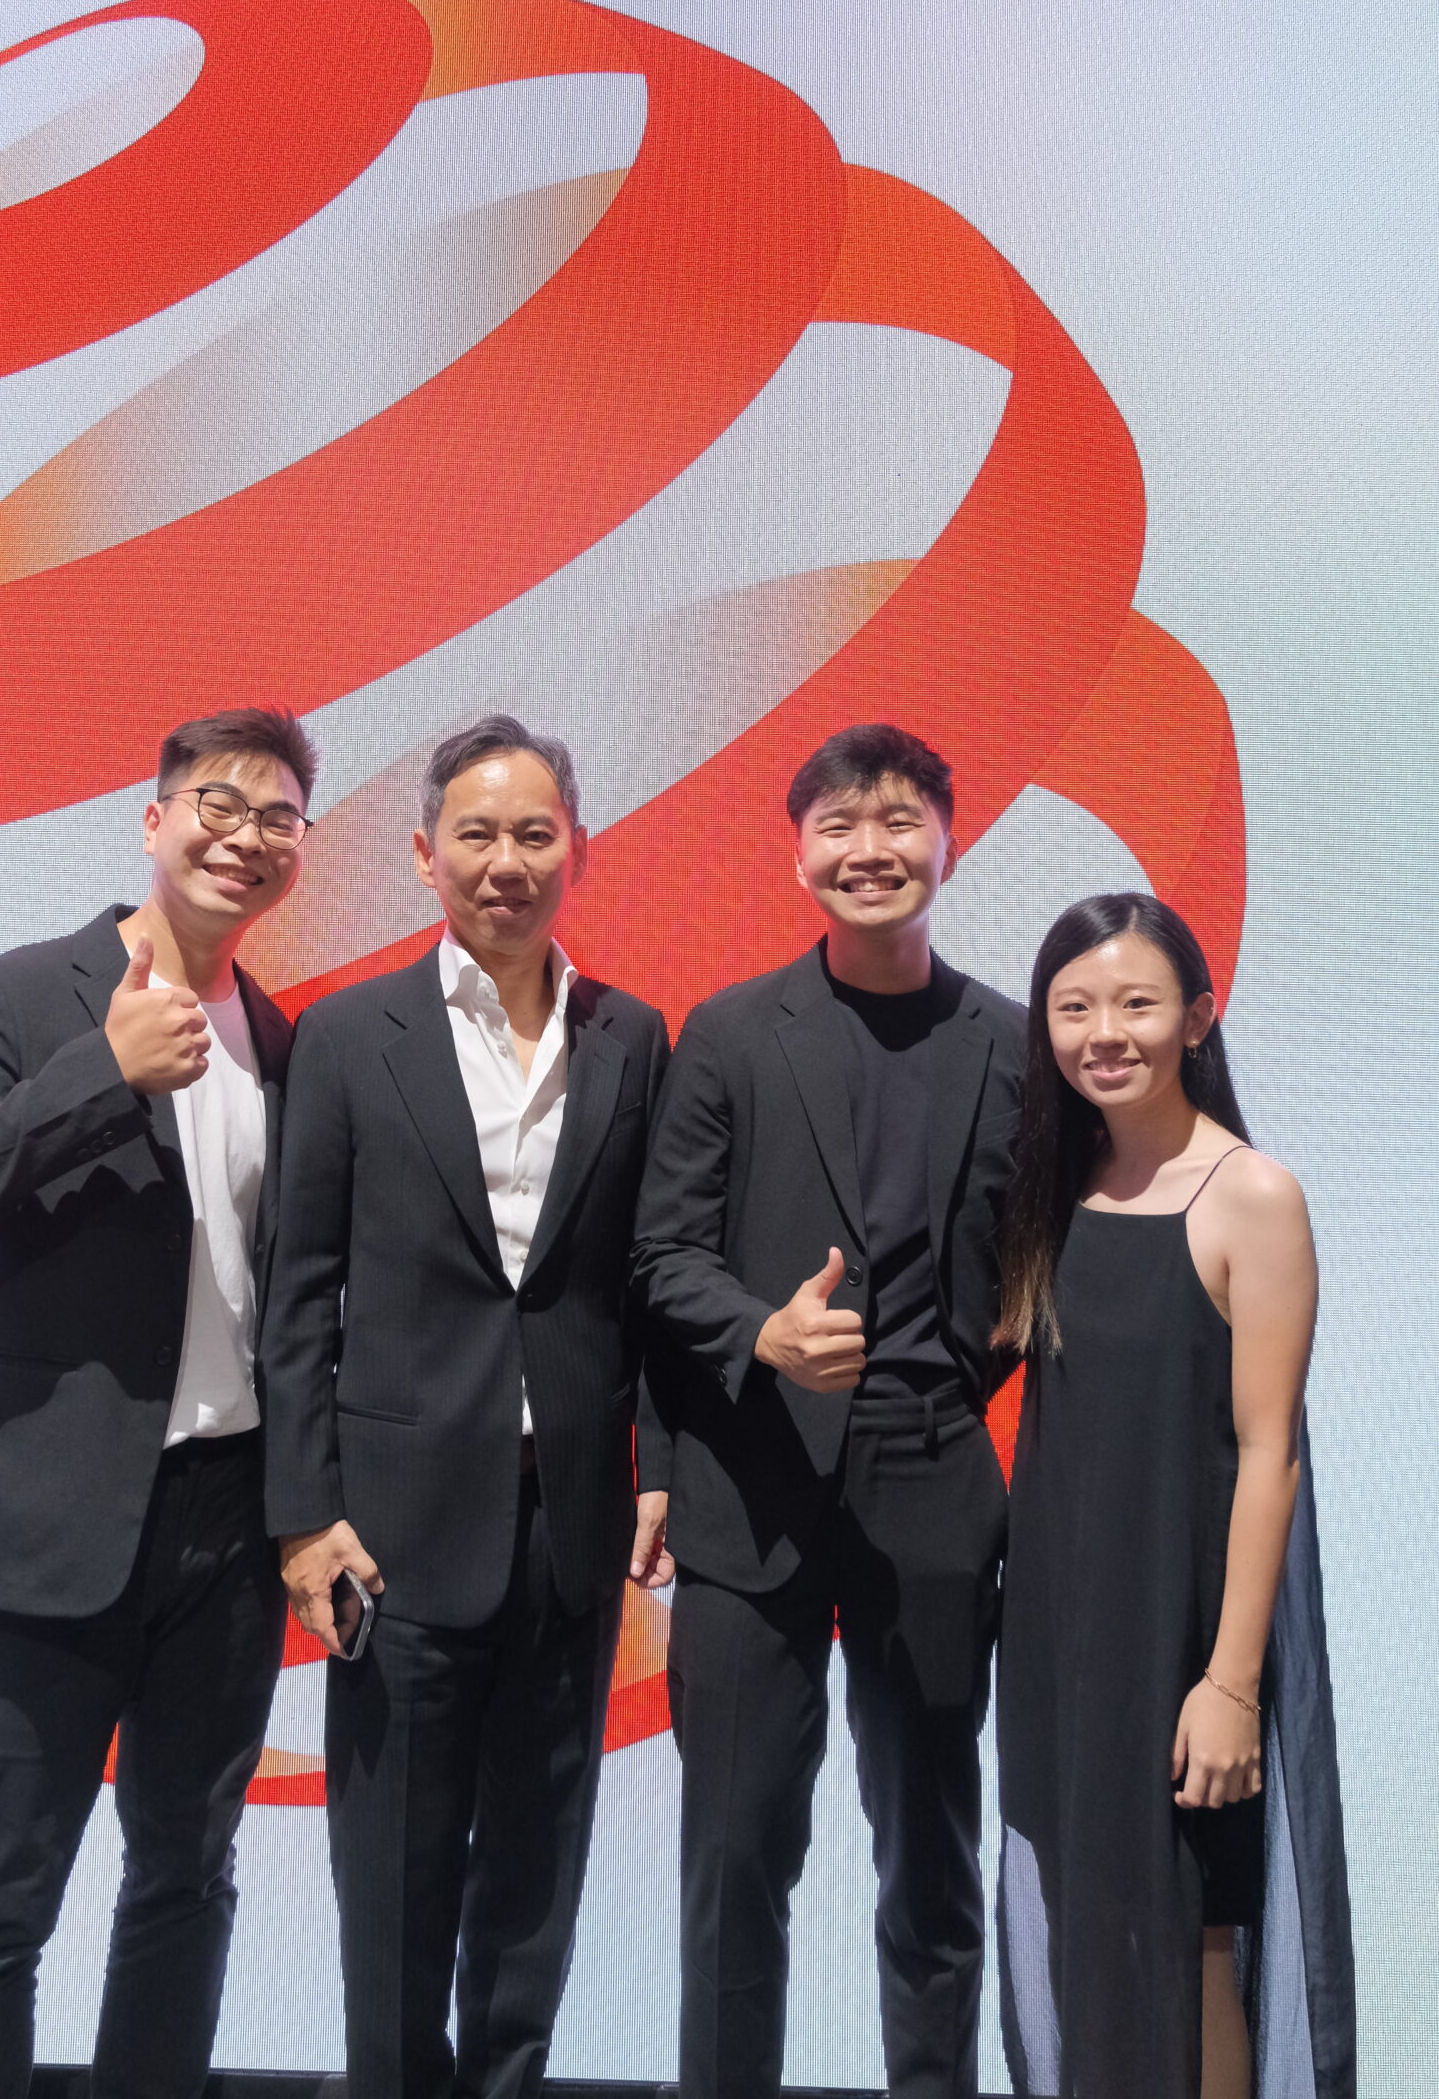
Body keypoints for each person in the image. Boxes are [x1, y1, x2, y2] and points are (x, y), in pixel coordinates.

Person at [0, 706, 316, 2099]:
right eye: (218, 805)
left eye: (277, 818)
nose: (244, 837)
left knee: (187, 1878)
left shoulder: (283, 1041)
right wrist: (94, 1078)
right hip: (45, 1522)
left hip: (225, 1529)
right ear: (154, 816)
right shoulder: (13, 995)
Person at [261, 713, 672, 2099]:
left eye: (535, 834)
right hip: (390, 1535)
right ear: (426, 854)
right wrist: (303, 1515)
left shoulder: (633, 1038)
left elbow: (642, 1282)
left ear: (578, 850)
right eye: (478, 836)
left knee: (535, 1876)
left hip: (566, 1529)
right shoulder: (345, 1035)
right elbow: (296, 1294)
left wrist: (655, 1465)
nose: (507, 862)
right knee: (391, 1880)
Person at [633, 721, 1024, 2099]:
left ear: (946, 844)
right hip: (751, 1493)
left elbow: (1044, 1258)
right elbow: (659, 1254)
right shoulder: (731, 1033)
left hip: (929, 1482)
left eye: (899, 820)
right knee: (733, 1858)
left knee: (930, 1853)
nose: (871, 849)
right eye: (840, 825)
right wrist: (761, 1336)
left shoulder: (1015, 1042)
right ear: (796, 854)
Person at [994, 891, 1354, 2099]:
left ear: (1198, 1015)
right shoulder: (1055, 1191)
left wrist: (1232, 1683)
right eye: (1076, 1005)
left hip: (1184, 1640)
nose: (1107, 1030)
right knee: (1091, 1928)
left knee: (1192, 1943)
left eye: (1138, 1002)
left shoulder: (1252, 1195)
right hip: (1060, 1636)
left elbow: (1271, 1453)